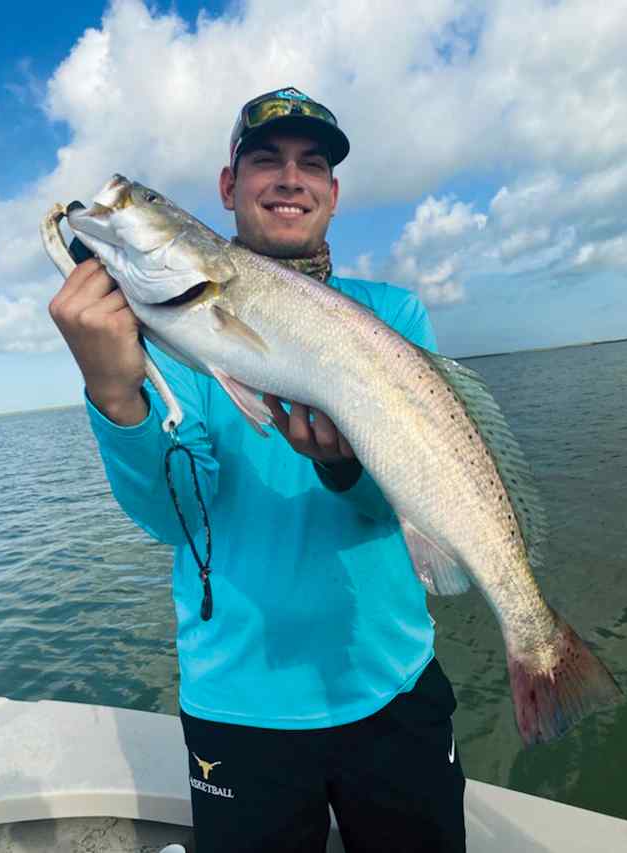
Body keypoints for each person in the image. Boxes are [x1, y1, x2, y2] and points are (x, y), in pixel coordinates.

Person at [49, 86, 466, 852]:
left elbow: (420, 497)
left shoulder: (393, 316)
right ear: (226, 188)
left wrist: (346, 470)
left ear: (334, 195)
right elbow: (178, 519)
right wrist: (115, 392)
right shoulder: (168, 338)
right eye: (265, 160)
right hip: (239, 710)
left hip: (393, 685)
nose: (289, 178)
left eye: (312, 165)